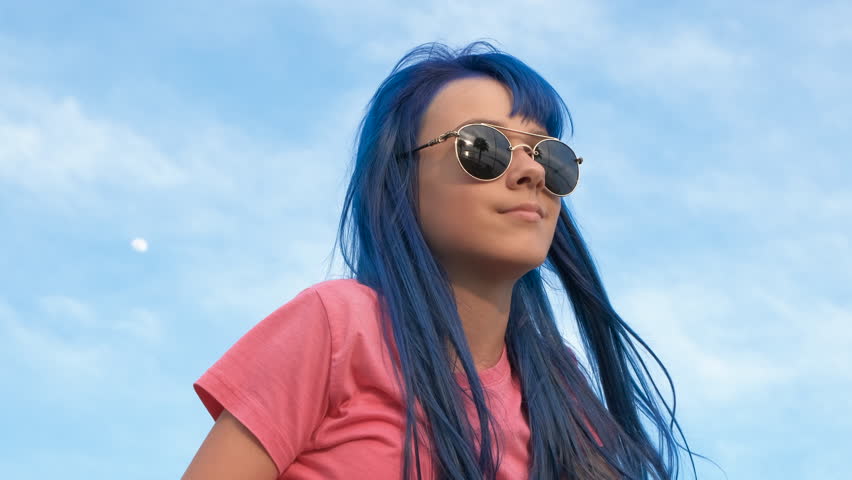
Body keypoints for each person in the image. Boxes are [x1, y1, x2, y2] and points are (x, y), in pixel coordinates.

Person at [181, 42, 701, 480]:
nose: (531, 174)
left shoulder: (562, 392)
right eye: (485, 148)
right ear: (401, 181)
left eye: (550, 157)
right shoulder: (339, 327)